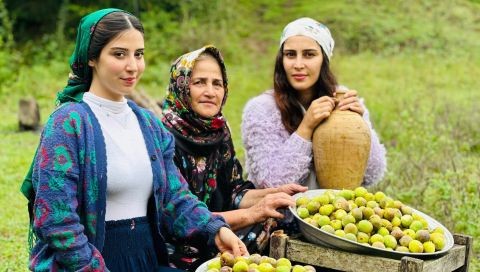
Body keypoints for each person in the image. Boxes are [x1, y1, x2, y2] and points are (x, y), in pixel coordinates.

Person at [20, 9, 247, 272]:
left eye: (138, 54)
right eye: (119, 54)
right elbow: (56, 221)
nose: (132, 66)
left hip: (146, 260)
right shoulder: (69, 124)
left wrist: (215, 230)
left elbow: (175, 198)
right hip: (89, 264)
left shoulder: (148, 124)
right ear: (92, 58)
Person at [161, 45, 307, 270]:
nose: (210, 91)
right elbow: (179, 217)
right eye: (199, 82)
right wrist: (251, 213)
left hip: (220, 232)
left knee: (272, 221)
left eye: (217, 83)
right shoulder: (162, 138)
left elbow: (234, 190)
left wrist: (274, 193)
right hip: (179, 245)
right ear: (180, 85)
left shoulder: (218, 130)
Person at [241, 17, 387, 190]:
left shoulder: (342, 100)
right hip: (280, 215)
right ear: (281, 60)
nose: (298, 64)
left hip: (333, 212)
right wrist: (306, 128)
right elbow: (271, 183)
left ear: (324, 59)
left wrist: (361, 127)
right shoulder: (262, 109)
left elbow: (372, 175)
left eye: (309, 54)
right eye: (290, 54)